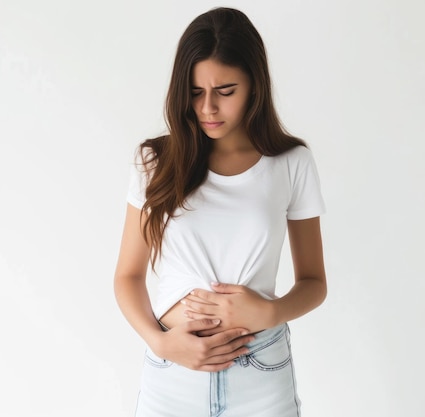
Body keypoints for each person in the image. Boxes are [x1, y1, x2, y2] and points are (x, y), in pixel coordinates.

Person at [114, 7, 327, 417]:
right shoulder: (155, 161)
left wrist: (270, 310)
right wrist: (159, 342)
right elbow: (126, 277)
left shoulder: (291, 162)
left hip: (260, 373)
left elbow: (314, 282)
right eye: (195, 92)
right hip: (172, 373)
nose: (208, 107)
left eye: (226, 91)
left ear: (254, 86)